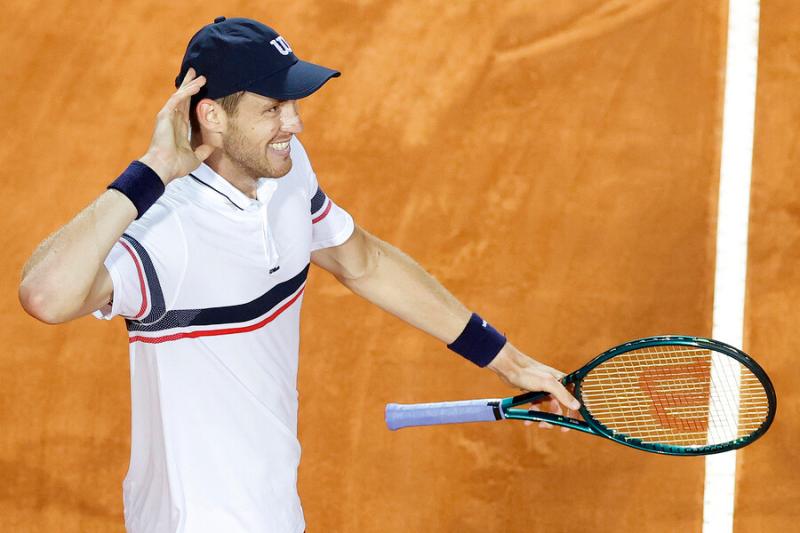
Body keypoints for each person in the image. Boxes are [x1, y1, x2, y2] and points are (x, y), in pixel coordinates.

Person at [18, 16, 580, 533]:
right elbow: (45, 295)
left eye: (292, 104)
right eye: (273, 109)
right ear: (212, 116)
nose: (296, 123)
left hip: (274, 508)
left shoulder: (284, 175)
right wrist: (154, 170)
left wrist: (507, 360)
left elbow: (362, 261)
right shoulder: (167, 229)